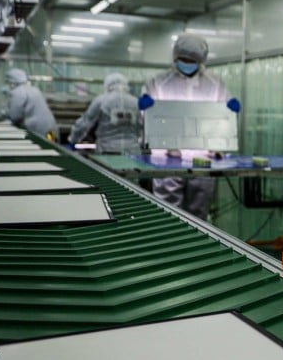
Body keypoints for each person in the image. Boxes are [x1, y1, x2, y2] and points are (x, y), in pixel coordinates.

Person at [140, 34, 239, 220]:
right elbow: (147, 118)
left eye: (191, 60)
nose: (186, 64)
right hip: (167, 158)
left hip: (203, 158)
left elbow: (225, 111)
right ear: (174, 57)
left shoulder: (215, 83)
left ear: (201, 60)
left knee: (198, 214)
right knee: (167, 213)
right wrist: (144, 108)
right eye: (182, 59)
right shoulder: (158, 81)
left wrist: (231, 107)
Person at [68, 72, 141, 154]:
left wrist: (73, 140)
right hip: (132, 151)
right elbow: (142, 126)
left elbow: (84, 123)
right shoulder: (136, 102)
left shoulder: (101, 101)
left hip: (107, 150)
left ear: (107, 85)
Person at [4, 68, 58, 140]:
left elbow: (15, 117)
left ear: (12, 81)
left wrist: (4, 114)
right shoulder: (34, 89)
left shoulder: (17, 92)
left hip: (38, 129)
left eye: (7, 82)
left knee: (42, 147)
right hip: (51, 128)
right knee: (52, 145)